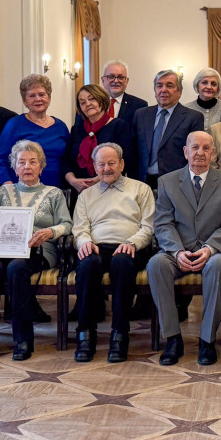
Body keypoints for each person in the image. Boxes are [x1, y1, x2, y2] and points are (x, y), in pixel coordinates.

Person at [149, 132, 221, 366]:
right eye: (195, 147)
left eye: (206, 148)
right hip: (178, 249)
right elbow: (162, 223)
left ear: (213, 153)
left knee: (219, 265)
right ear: (185, 152)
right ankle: (172, 339)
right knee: (156, 264)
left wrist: (210, 249)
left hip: (215, 251)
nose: (200, 153)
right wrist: (177, 251)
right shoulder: (167, 181)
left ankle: (207, 341)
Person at [0, 140, 72, 361]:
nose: (27, 167)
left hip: (37, 251)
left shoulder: (54, 193)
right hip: (3, 249)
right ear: (14, 167)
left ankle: (23, 338)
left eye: (32, 162)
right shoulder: (2, 192)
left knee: (17, 268)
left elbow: (67, 224)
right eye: (21, 162)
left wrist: (49, 232)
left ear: (41, 166)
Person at [71, 142, 155, 363]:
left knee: (122, 264)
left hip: (129, 247)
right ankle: (85, 335)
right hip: (97, 247)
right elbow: (79, 228)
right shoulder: (86, 195)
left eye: (111, 163)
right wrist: (85, 242)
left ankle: (120, 334)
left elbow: (148, 227)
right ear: (94, 167)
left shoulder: (140, 189)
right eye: (101, 164)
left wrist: (132, 242)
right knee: (87, 265)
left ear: (122, 164)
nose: (106, 168)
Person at [0, 74, 70, 188]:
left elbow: (67, 160)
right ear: (25, 101)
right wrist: (8, 187)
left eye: (42, 94)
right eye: (32, 96)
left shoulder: (61, 127)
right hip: (22, 190)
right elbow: (0, 159)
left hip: (56, 190)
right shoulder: (14, 125)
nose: (38, 99)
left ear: (49, 98)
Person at [135, 70, 205, 189]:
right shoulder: (141, 115)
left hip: (176, 184)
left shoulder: (193, 117)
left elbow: (194, 154)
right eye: (159, 85)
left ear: (179, 92)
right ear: (155, 90)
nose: (163, 90)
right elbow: (134, 150)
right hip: (142, 182)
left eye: (170, 86)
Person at [62, 83, 134, 194]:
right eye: (82, 102)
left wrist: (97, 180)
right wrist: (73, 181)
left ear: (102, 100)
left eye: (92, 99)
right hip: (79, 190)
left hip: (109, 189)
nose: (88, 104)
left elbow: (125, 160)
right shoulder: (76, 129)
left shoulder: (119, 126)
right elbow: (65, 161)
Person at [101, 60, 148, 124]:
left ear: (127, 81)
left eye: (121, 77)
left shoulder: (139, 106)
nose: (116, 81)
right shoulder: (92, 103)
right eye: (111, 76)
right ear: (103, 80)